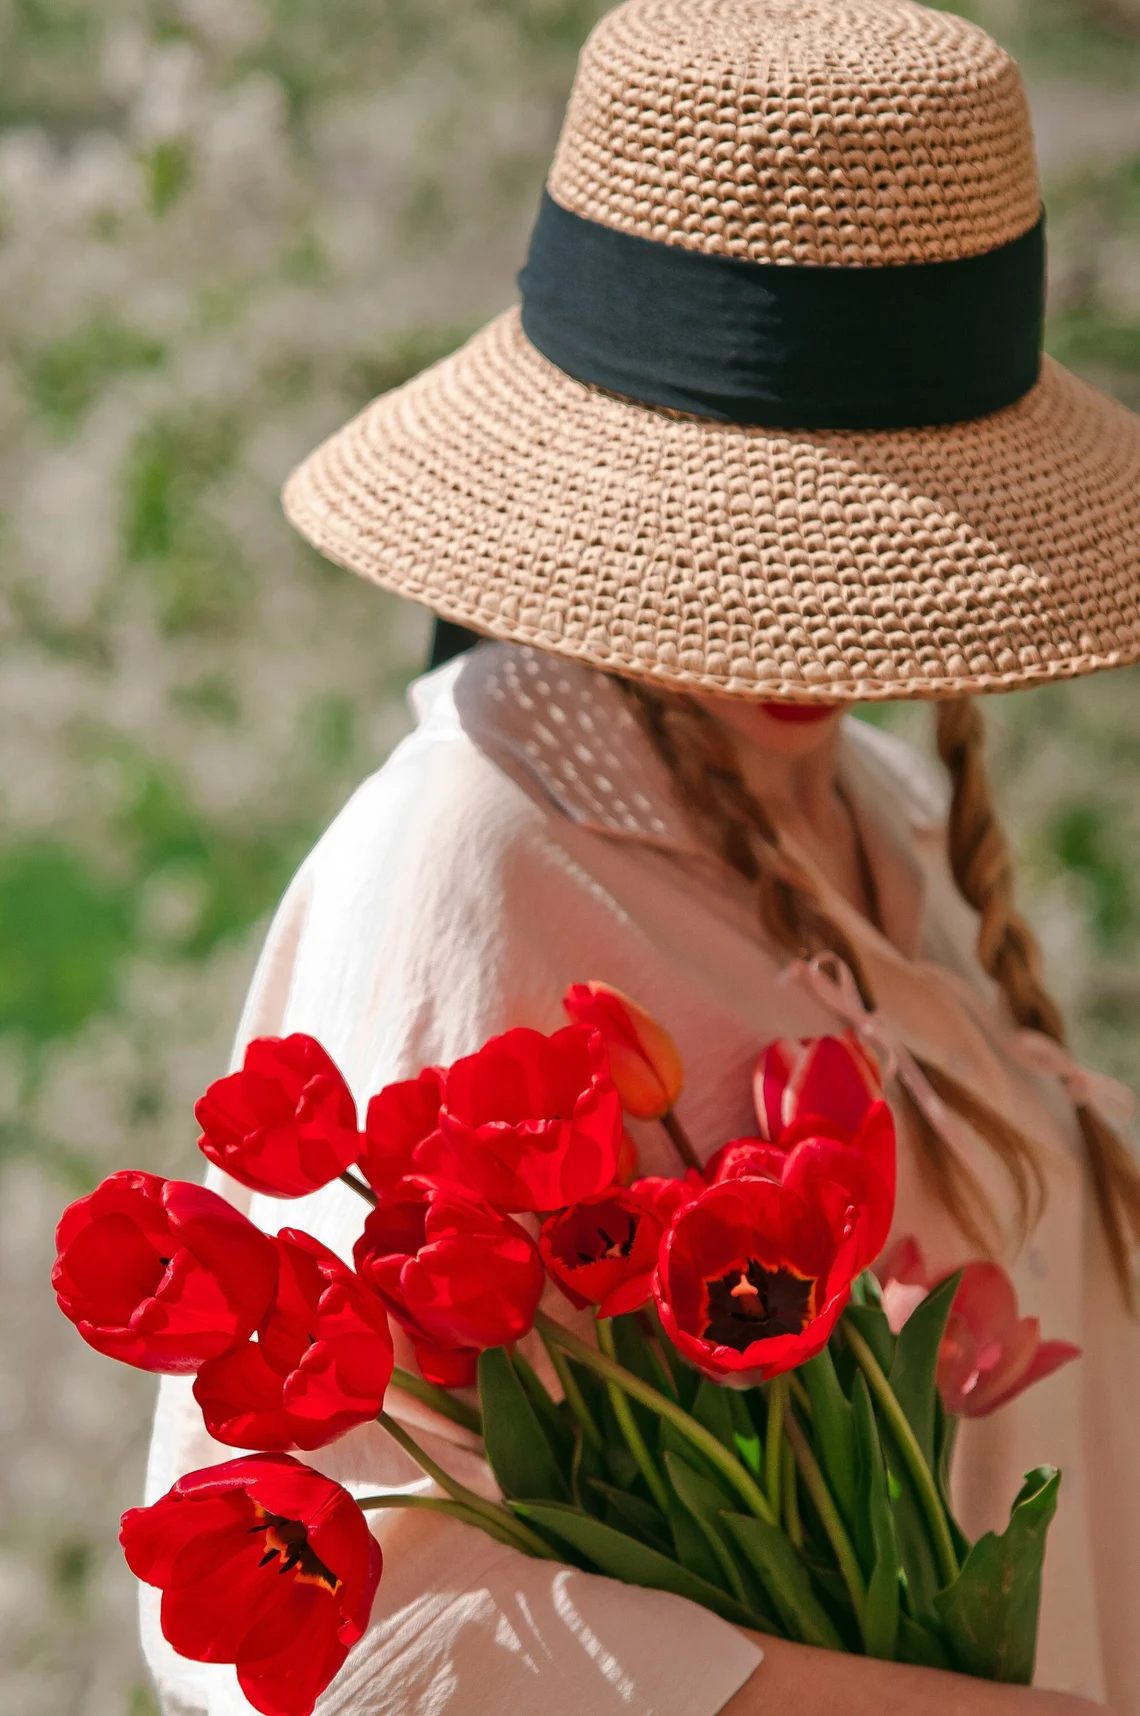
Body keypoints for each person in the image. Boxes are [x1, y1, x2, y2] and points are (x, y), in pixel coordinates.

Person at [140, 0, 1140, 1712]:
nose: (809, 630)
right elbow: (352, 1606)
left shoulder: (875, 812)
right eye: (757, 540)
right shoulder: (481, 851)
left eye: (873, 543)